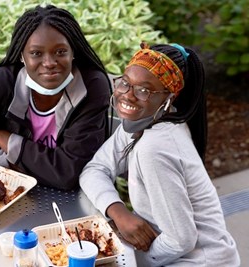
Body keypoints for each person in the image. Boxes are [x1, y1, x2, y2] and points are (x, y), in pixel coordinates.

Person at [80, 42, 240, 266]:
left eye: (144, 90)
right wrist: (117, 212)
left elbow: (180, 241)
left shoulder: (155, 147)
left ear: (169, 98)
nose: (128, 95)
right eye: (125, 83)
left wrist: (131, 261)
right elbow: (94, 169)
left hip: (198, 260)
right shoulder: (143, 121)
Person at [0, 5, 111, 190]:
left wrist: (5, 140)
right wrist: (2, 160)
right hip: (7, 193)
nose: (49, 63)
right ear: (22, 56)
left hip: (70, 203)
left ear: (73, 52)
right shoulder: (1, 84)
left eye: (60, 52)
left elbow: (68, 173)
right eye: (36, 53)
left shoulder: (91, 87)